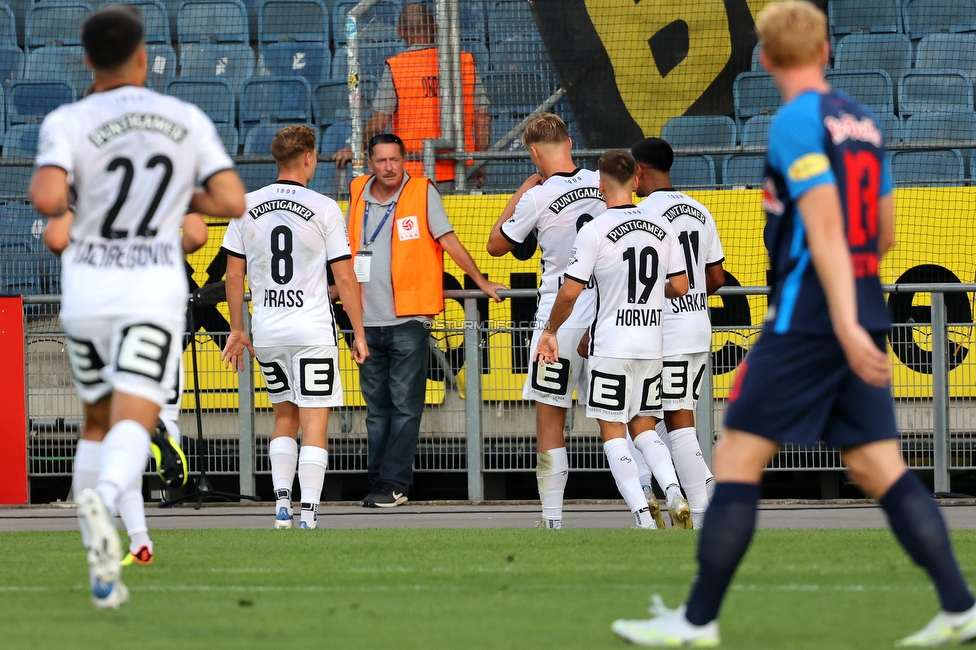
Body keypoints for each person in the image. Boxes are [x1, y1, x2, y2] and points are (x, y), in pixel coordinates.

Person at [611, 2, 976, 646]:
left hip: (813, 315)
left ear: (768, 61)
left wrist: (832, 317)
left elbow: (826, 222)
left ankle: (695, 623)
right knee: (876, 467)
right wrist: (857, 309)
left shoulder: (794, 122)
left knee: (737, 456)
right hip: (860, 304)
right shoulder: (861, 123)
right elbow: (882, 231)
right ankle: (959, 606)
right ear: (826, 51)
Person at [29, 4, 245, 609]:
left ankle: (103, 560)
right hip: (150, 293)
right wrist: (177, 189)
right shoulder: (182, 117)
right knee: (137, 418)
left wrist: (82, 196)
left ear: (86, 59)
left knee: (95, 422)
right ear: (144, 57)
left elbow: (47, 196)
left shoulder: (70, 118)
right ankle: (109, 497)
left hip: (87, 293)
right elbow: (230, 199)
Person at [534, 149, 692, 530]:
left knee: (613, 431)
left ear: (601, 185)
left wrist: (551, 331)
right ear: (637, 180)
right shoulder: (662, 226)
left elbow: (569, 294)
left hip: (612, 343)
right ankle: (673, 493)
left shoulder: (595, 230)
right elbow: (681, 285)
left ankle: (643, 515)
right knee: (645, 427)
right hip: (652, 343)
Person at [221, 125, 369, 530]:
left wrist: (238, 329)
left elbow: (234, 276)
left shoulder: (246, 205)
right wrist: (358, 332)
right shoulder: (324, 207)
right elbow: (345, 274)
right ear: (308, 158)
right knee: (314, 422)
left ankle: (282, 507)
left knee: (283, 417)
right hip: (312, 330)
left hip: (267, 330)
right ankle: (310, 515)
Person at [348, 133, 505, 507]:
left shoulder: (421, 191)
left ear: (406, 161)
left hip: (409, 319)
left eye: (395, 160)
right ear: (369, 163)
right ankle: (379, 483)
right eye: (381, 160)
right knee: (376, 412)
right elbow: (348, 248)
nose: (389, 168)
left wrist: (479, 281)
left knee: (404, 407)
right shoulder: (358, 191)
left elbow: (448, 241)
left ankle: (394, 484)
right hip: (365, 321)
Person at [44, 210, 202, 565]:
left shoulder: (86, 170)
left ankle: (117, 515)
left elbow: (56, 238)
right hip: (157, 307)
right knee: (142, 418)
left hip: (98, 304)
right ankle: (137, 533)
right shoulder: (175, 165)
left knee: (103, 426)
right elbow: (196, 236)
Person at [486, 112, 606, 530]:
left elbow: (496, 245)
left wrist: (522, 191)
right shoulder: (601, 182)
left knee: (550, 418)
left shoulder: (537, 195)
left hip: (556, 320)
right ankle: (649, 505)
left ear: (534, 153)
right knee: (625, 417)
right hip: (607, 316)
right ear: (570, 143)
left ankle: (552, 519)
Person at [630, 137, 726, 529]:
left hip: (664, 330)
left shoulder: (644, 215)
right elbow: (717, 276)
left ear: (638, 170)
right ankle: (693, 504)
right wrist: (694, 292)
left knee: (669, 421)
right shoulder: (700, 209)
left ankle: (705, 508)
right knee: (676, 417)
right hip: (698, 327)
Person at [333, 2, 491, 188]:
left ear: (400, 31)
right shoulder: (464, 62)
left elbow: (378, 122)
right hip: (462, 170)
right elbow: (482, 117)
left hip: (415, 177)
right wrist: (480, 161)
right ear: (435, 26)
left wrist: (356, 148)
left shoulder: (397, 67)